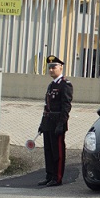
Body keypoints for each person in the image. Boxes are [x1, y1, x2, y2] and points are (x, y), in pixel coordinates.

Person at [37, 55, 73, 187]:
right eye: (49, 68)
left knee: (57, 152)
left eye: (54, 67)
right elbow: (47, 106)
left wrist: (61, 124)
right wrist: (42, 124)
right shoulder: (51, 85)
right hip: (48, 122)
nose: (51, 70)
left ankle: (57, 178)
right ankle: (49, 175)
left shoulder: (65, 85)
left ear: (61, 68)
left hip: (58, 122)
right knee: (48, 151)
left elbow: (66, 106)